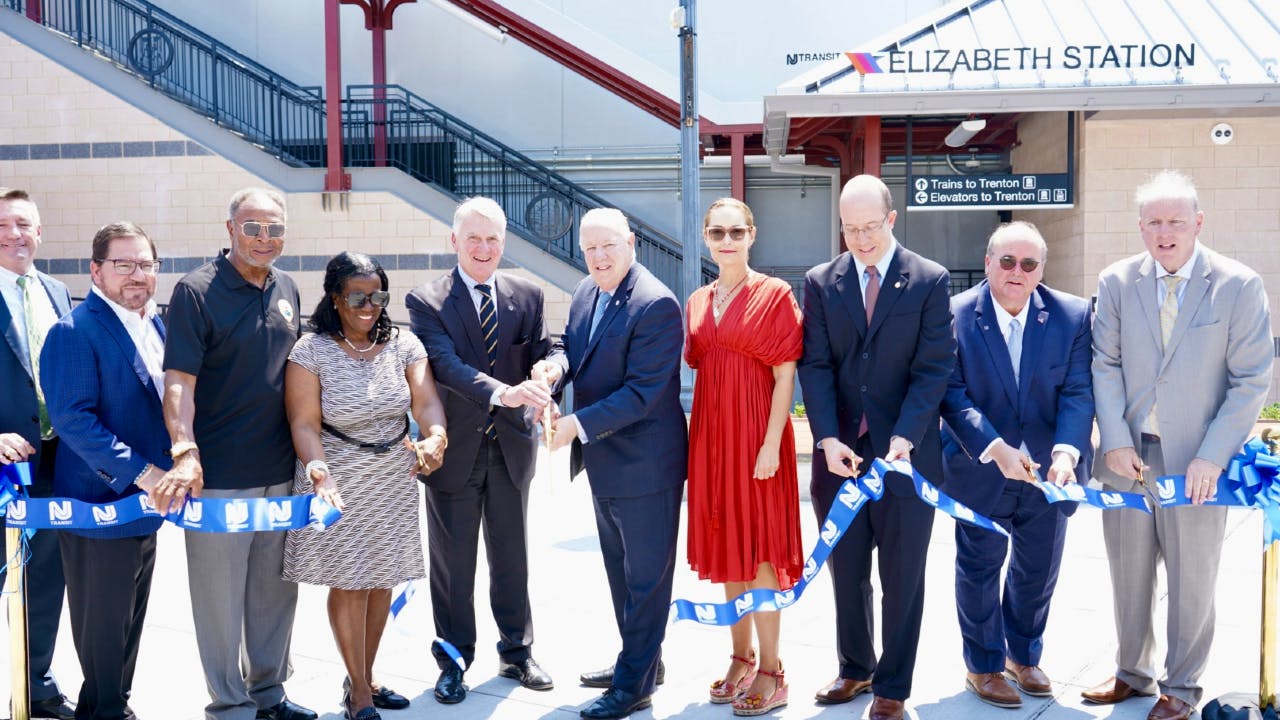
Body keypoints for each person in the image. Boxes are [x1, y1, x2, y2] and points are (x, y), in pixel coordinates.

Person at [1086, 170, 1274, 720]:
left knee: (1192, 579)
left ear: (1198, 222)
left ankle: (1182, 687)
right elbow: (1105, 364)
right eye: (1154, 222)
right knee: (1128, 573)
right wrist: (1115, 440)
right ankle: (1132, 672)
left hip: (1197, 461)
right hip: (1128, 457)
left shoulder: (1239, 285)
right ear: (1140, 226)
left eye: (1175, 221)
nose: (1164, 232)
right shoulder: (1117, 281)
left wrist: (1213, 455)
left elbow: (1250, 380)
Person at [798, 174, 955, 720]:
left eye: (870, 227)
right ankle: (855, 667)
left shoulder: (929, 280)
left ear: (891, 219)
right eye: (850, 229)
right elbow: (816, 365)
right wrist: (826, 438)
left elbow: (933, 369)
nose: (861, 239)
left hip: (906, 457)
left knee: (902, 577)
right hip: (840, 454)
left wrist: (905, 438)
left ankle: (892, 687)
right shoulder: (821, 281)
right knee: (846, 570)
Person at [158, 187, 317, 720]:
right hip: (219, 477)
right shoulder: (196, 291)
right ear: (230, 230)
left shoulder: (287, 287)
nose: (264, 239)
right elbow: (178, 382)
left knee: (275, 593)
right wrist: (185, 450)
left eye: (275, 229)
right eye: (252, 228)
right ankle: (230, 705)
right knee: (219, 602)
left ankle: (269, 694)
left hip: (280, 472)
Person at [404, 197, 561, 704]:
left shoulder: (527, 294)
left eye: (493, 238)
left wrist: (551, 370)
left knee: (512, 559)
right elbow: (444, 364)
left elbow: (549, 350)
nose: (484, 247)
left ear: (504, 242)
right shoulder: (427, 300)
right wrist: (505, 393)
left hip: (512, 450)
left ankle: (517, 652)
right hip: (453, 451)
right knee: (453, 566)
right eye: (473, 237)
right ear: (454, 240)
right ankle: (453, 661)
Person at [283, 251, 447, 720]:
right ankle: (358, 692)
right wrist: (318, 471)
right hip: (337, 476)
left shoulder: (403, 344)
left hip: (393, 476)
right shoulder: (310, 351)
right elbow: (304, 423)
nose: (369, 306)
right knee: (352, 583)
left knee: (381, 581)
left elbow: (426, 403)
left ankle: (366, 676)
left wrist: (436, 435)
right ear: (335, 298)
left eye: (378, 297)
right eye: (357, 297)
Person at [938, 221, 1094, 709]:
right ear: (988, 263)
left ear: (1041, 270)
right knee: (979, 567)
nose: (1017, 272)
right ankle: (983, 665)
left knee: (1037, 569)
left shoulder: (1072, 315)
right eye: (1007, 261)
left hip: (1050, 473)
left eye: (1028, 264)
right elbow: (952, 392)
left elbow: (1078, 391)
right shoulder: (955, 315)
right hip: (981, 466)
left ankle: (1022, 656)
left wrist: (1067, 452)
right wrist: (995, 447)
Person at [547, 208, 687, 720]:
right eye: (590, 248)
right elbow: (571, 345)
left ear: (632, 242)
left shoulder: (656, 304)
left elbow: (642, 393)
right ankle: (644, 662)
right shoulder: (588, 290)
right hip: (606, 463)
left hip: (646, 466)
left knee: (646, 581)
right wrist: (553, 367)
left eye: (608, 245)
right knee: (621, 574)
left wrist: (575, 425)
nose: (599, 257)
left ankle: (634, 688)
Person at [39, 221, 172, 720]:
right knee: (102, 626)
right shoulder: (74, 330)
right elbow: (74, 419)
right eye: (123, 264)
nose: (137, 274)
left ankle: (109, 707)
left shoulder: (155, 324)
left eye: (146, 264)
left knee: (128, 621)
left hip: (146, 505)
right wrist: (142, 473)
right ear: (96, 270)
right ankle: (108, 709)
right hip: (99, 505)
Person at [684, 198, 803, 716]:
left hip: (757, 437)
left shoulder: (775, 294)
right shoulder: (696, 301)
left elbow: (785, 376)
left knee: (761, 552)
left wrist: (772, 443)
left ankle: (773, 671)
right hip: (712, 439)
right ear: (706, 238)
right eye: (718, 232)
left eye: (736, 231)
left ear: (752, 235)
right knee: (727, 545)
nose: (727, 240)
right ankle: (740, 657)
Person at [0, 188, 75, 720]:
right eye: (2, 225)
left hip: (55, 460)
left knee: (46, 579)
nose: (13, 235)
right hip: (3, 464)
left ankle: (35, 684)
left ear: (40, 232)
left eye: (23, 224)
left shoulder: (57, 291)